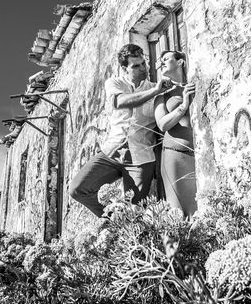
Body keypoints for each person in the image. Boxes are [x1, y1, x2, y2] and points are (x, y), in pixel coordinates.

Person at [69, 44, 172, 217]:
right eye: (136, 66)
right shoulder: (115, 83)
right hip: (112, 152)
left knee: (135, 211)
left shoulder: (157, 90)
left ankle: (126, 223)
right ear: (124, 68)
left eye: (143, 63)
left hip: (140, 158)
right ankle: (115, 219)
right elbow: (120, 102)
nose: (143, 69)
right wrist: (154, 91)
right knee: (78, 189)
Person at [154, 50, 197, 217]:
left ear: (180, 62)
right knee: (178, 213)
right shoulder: (162, 96)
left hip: (196, 156)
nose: (161, 63)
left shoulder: (192, 84)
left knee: (197, 210)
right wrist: (184, 104)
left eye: (166, 59)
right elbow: (162, 124)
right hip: (175, 157)